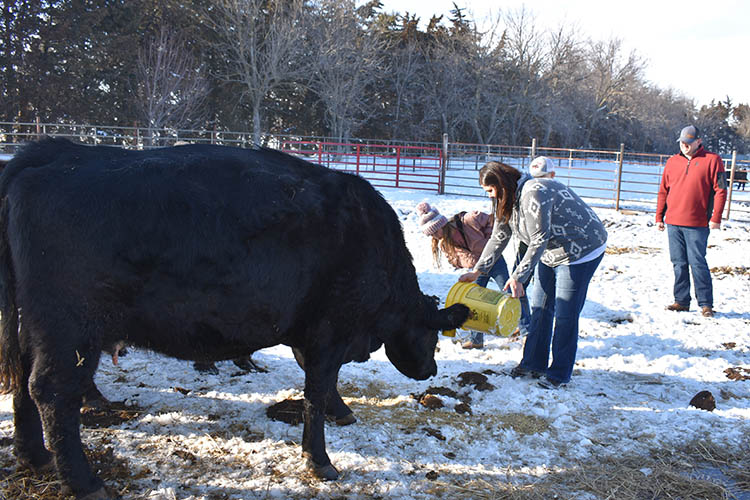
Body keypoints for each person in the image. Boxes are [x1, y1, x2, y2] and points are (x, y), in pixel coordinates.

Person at [459, 160, 607, 388]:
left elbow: (539, 238)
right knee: (540, 307)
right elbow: (499, 236)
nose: (489, 196)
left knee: (566, 313)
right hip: (550, 251)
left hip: (581, 249)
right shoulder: (504, 200)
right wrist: (478, 270)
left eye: (490, 190)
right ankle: (532, 364)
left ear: (501, 184)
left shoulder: (533, 193)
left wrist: (518, 276)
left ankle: (558, 374)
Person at [416, 201, 511, 349]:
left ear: (441, 225)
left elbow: (492, 222)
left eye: (435, 232)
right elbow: (459, 261)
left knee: (510, 291)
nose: (434, 236)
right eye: (431, 234)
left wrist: (488, 242)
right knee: (474, 300)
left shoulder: (468, 220)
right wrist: (468, 262)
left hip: (495, 260)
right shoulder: (445, 244)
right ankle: (476, 339)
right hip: (476, 270)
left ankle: (524, 329)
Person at [656, 125, 727, 318]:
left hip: (698, 223)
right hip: (673, 221)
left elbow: (721, 190)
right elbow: (664, 190)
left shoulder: (713, 161)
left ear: (698, 141)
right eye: (682, 142)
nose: (684, 145)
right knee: (678, 263)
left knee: (697, 262)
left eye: (688, 142)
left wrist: (716, 217)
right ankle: (681, 300)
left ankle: (705, 304)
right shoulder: (672, 162)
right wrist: (659, 216)